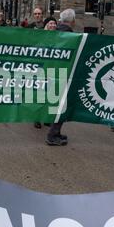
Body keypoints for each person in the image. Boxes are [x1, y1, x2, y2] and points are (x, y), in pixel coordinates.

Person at [46, 9, 77, 146]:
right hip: (64, 74)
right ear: (73, 21)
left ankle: (56, 133)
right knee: (61, 106)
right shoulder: (71, 36)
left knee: (57, 105)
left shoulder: (53, 32)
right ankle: (52, 135)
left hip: (52, 72)